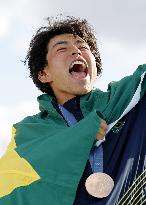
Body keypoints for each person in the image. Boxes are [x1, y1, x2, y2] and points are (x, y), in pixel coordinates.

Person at [0, 16, 146, 205]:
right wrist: (83, 133)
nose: (77, 51)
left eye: (83, 47)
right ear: (44, 74)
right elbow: (8, 189)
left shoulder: (127, 99)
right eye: (62, 48)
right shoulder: (28, 130)